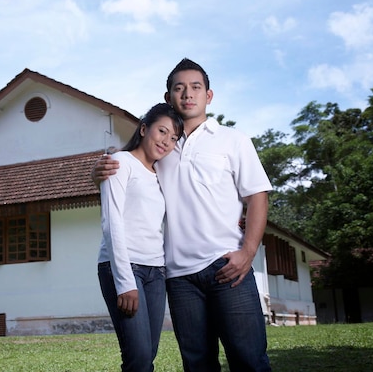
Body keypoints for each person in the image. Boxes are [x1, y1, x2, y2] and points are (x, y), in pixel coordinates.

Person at [93, 59, 273, 371]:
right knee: (197, 364)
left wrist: (249, 251)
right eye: (179, 88)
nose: (187, 94)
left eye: (195, 87)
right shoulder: (162, 148)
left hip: (228, 265)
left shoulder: (233, 140)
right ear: (168, 97)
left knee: (250, 360)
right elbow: (130, 171)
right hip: (178, 277)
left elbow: (257, 196)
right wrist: (98, 173)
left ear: (209, 95)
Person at [97, 102, 184, 372]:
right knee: (139, 357)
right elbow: (112, 222)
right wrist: (125, 282)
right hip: (125, 268)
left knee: (148, 354)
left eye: (173, 138)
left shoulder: (161, 175)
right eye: (162, 131)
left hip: (156, 272)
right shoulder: (121, 163)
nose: (166, 142)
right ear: (144, 128)